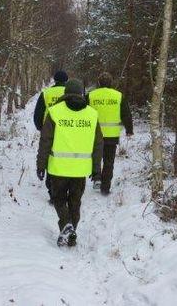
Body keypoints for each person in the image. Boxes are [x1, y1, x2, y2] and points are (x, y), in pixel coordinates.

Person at [36, 79, 103, 247]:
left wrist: (41, 164)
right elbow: (98, 145)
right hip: (80, 170)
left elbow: (45, 141)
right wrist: (96, 170)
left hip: (58, 168)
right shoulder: (92, 114)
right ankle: (71, 234)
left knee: (59, 200)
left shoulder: (54, 111)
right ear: (81, 93)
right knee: (75, 203)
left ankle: (66, 225)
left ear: (65, 92)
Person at [87, 72, 133, 195]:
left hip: (95, 134)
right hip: (112, 136)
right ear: (111, 82)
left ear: (99, 82)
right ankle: (105, 187)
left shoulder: (91, 95)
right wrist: (129, 130)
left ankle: (96, 179)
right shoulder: (118, 96)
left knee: (96, 158)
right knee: (108, 161)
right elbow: (126, 114)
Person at [33, 70, 68, 202]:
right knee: (63, 157)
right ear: (66, 80)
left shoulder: (46, 93)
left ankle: (52, 189)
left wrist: (40, 128)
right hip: (67, 130)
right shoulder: (70, 92)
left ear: (54, 79)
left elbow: (38, 113)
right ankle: (64, 187)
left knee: (49, 157)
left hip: (49, 130)